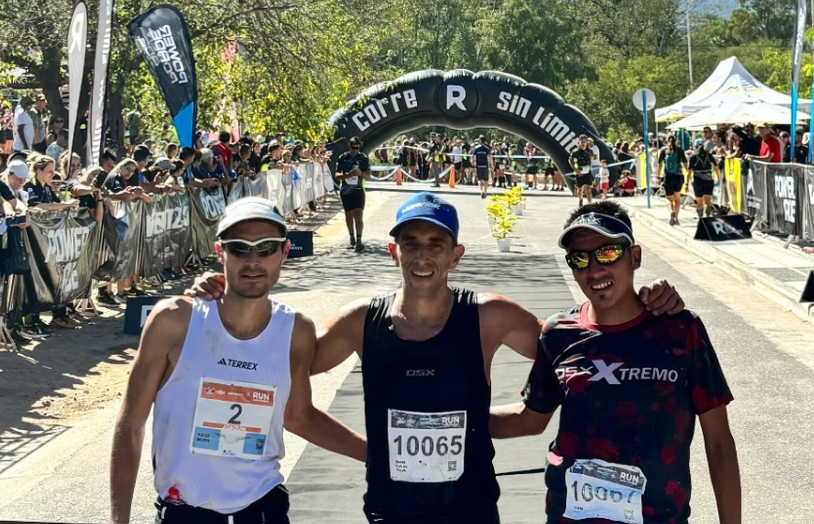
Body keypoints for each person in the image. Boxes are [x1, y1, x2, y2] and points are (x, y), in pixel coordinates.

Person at [187, 193, 685, 524]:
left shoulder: (490, 317)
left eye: (435, 245)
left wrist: (644, 303)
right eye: (411, 244)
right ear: (393, 252)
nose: (422, 256)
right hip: (391, 508)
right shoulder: (361, 321)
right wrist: (225, 297)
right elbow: (281, 359)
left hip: (470, 509)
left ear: (455, 255)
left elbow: (581, 346)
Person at [110, 197, 366, 524]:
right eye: (240, 248)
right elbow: (130, 424)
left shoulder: (296, 331)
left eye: (266, 248)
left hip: (263, 509)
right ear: (221, 252)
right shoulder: (174, 321)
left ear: (284, 251)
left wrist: (374, 455)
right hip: (184, 512)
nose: (253, 260)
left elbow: (299, 416)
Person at [490, 200, 741, 524]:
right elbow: (530, 418)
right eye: (580, 259)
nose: (594, 270)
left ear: (634, 256)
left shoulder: (680, 331)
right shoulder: (558, 333)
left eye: (608, 253)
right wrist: (457, 416)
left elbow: (719, 442)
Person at [335, 136, 370, 252]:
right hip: (346, 190)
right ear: (349, 147)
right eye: (353, 147)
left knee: (359, 214)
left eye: (357, 148)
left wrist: (361, 174)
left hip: (358, 189)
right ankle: (352, 237)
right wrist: (348, 175)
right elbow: (337, 175)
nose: (355, 150)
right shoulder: (343, 158)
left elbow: (368, 176)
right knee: (349, 214)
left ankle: (359, 240)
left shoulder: (363, 158)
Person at [657, 136, 688, 226]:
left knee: (669, 198)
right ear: (676, 141)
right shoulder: (680, 150)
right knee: (677, 198)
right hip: (679, 177)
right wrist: (688, 175)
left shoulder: (664, 150)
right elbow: (686, 164)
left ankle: (671, 212)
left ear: (667, 141)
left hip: (668, 177)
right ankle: (676, 218)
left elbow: (659, 165)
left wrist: (658, 177)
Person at [687, 138, 719, 219]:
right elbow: (716, 168)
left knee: (699, 202)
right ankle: (707, 216)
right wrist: (718, 179)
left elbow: (689, 172)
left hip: (698, 182)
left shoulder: (693, 157)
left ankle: (700, 218)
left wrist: (687, 183)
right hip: (709, 181)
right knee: (708, 202)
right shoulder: (709, 156)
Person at [570, 134, 594, 207]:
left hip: (587, 171)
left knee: (588, 188)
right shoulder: (575, 152)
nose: (583, 143)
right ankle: (580, 199)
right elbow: (570, 160)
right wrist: (575, 169)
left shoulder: (589, 151)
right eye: (582, 141)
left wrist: (591, 158)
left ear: (587, 142)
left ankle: (590, 204)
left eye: (585, 141)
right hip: (579, 171)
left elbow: (591, 159)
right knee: (580, 189)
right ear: (579, 142)